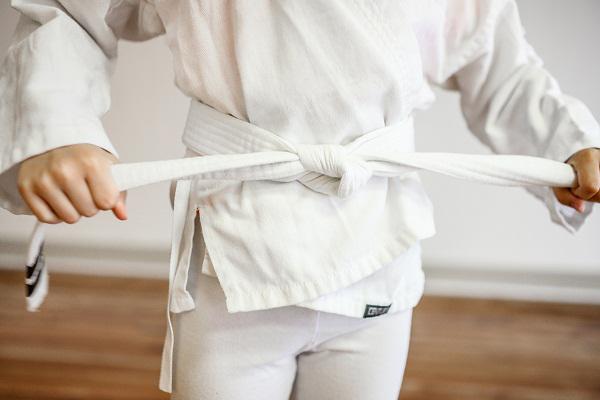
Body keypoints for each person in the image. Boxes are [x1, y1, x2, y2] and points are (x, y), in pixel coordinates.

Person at [1, 1, 599, 399]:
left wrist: (569, 143)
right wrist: (59, 126)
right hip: (234, 252)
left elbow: (502, 68)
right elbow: (71, 11)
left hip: (377, 240)